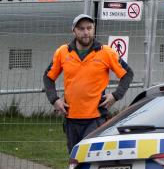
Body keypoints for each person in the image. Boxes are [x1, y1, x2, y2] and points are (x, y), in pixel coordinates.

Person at [43, 14, 134, 153]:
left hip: (96, 118)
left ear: (94, 29)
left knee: (90, 156)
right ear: (74, 30)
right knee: (74, 159)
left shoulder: (106, 52)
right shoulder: (63, 52)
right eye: (81, 28)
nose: (86, 32)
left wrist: (116, 95)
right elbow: (48, 77)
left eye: (89, 28)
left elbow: (128, 74)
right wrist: (54, 100)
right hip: (71, 118)